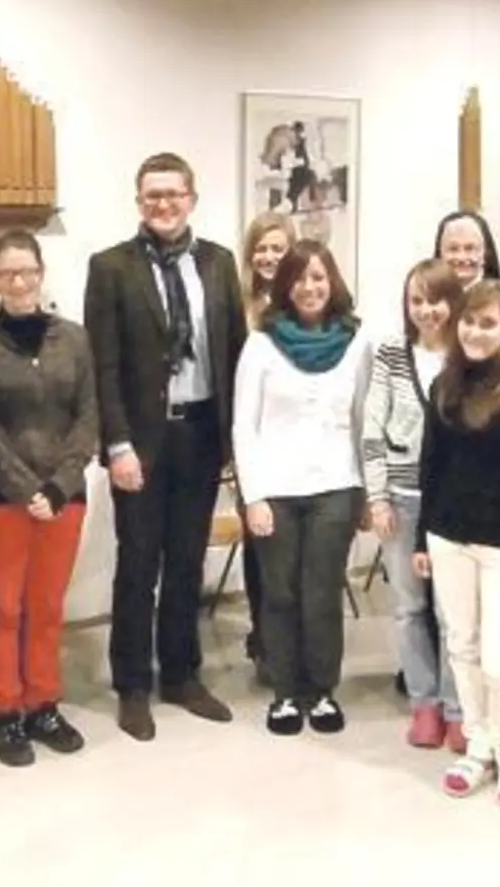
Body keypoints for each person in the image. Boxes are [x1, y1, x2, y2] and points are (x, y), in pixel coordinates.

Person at [84, 152, 246, 740]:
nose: (163, 204)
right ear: (138, 201)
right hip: (143, 440)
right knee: (137, 563)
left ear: (191, 199)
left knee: (186, 560)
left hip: (202, 432)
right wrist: (117, 444)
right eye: (152, 195)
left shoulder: (219, 263)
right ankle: (132, 683)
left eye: (173, 194)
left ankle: (181, 673)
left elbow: (235, 353)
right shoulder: (110, 268)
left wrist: (235, 440)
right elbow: (102, 363)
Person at [412, 279, 500, 810]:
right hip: (448, 536)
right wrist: (421, 536)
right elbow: (431, 466)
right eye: (469, 321)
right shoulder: (444, 385)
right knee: (462, 646)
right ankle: (478, 746)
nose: (474, 331)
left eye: (488, 323)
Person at [0, 230, 99, 765]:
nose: (19, 281)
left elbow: (89, 416)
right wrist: (25, 488)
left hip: (65, 497)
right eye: (8, 273)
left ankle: (43, 703)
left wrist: (59, 485)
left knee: (46, 607)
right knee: (2, 608)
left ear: (41, 273)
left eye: (27, 271)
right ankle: (4, 710)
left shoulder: (75, 339)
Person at [233, 239, 369, 735]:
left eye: (319, 277)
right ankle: (287, 693)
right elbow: (243, 425)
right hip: (276, 490)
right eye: (300, 278)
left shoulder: (357, 341)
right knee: (280, 594)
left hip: (337, 485)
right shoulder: (261, 343)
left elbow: (361, 423)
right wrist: (253, 497)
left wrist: (366, 493)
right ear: (284, 286)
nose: (310, 287)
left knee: (322, 594)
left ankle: (323, 690)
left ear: (331, 282)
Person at [362, 259, 464, 748]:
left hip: (453, 503)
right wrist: (377, 496)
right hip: (400, 500)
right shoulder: (390, 353)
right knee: (408, 607)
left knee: (452, 612)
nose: (427, 310)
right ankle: (423, 703)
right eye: (416, 300)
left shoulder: (469, 355)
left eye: (436, 299)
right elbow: (371, 430)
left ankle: (458, 708)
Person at [235, 211, 294, 673]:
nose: (270, 256)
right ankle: (265, 637)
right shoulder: (239, 309)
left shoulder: (306, 301)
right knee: (260, 547)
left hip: (299, 446)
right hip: (253, 443)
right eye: (262, 248)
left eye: (278, 247)